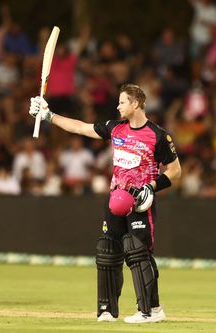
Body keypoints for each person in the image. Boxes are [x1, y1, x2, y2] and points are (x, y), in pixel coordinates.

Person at [29, 84, 182, 323]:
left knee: (138, 252)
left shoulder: (158, 135)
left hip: (140, 202)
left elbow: (175, 172)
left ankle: (151, 310)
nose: (117, 106)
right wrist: (48, 115)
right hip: (115, 199)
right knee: (108, 251)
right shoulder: (115, 128)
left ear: (136, 104)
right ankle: (107, 309)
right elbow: (80, 127)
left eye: (122, 102)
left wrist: (150, 188)